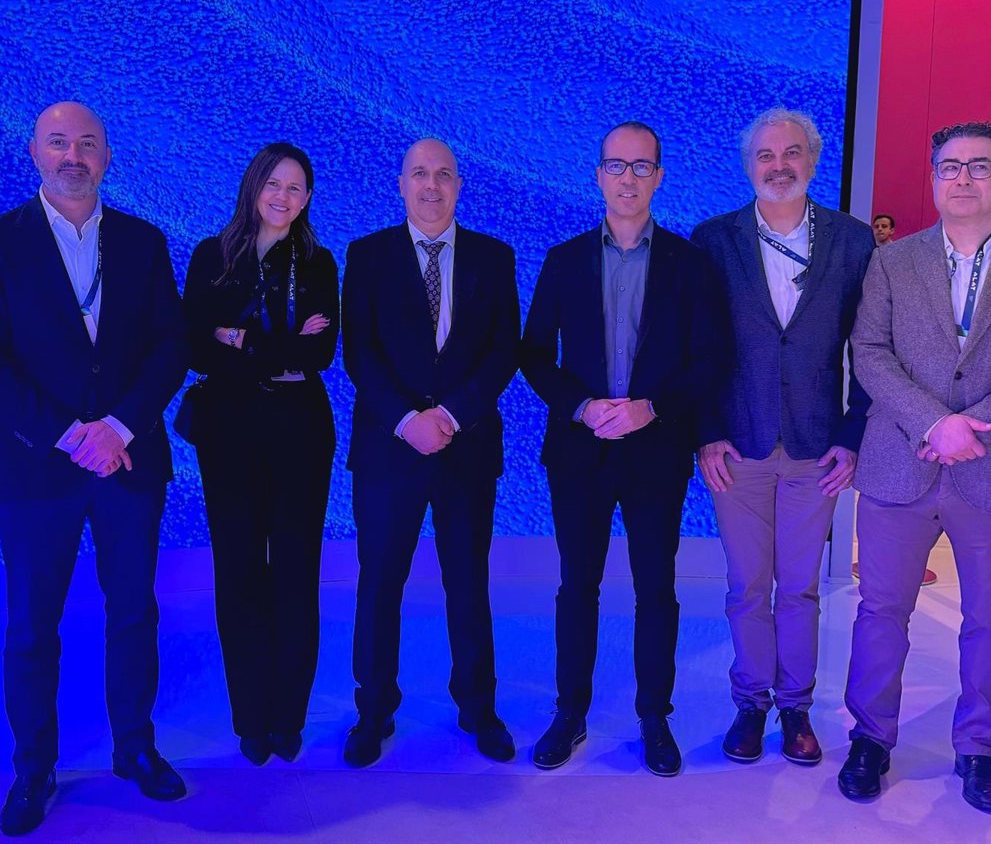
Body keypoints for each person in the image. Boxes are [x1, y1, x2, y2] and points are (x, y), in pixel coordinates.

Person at [0, 101, 189, 836]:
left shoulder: (144, 241)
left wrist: (116, 427)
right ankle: (33, 770)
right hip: (35, 469)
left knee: (134, 612)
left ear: (107, 157)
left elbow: (171, 346)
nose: (73, 156)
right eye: (58, 142)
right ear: (34, 152)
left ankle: (135, 748)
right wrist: (65, 434)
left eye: (87, 143)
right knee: (31, 626)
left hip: (128, 460)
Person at [841, 122, 991, 812]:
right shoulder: (892, 261)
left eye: (979, 166)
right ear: (934, 177)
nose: (962, 178)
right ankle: (870, 738)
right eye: (949, 166)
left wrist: (975, 428)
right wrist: (934, 423)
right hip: (900, 462)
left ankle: (977, 748)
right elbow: (870, 352)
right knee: (880, 611)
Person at [520, 121, 729, 776]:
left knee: (655, 588)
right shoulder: (563, 260)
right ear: (599, 175)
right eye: (617, 165)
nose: (628, 178)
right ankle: (570, 713)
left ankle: (654, 717)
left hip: (654, 450)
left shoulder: (690, 265)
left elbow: (711, 358)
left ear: (659, 177)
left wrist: (650, 408)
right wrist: (582, 407)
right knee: (576, 587)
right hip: (579, 452)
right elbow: (534, 354)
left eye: (642, 167)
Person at [691, 107, 875, 766]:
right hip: (735, 447)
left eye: (791, 152)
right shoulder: (713, 239)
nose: (779, 166)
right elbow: (694, 347)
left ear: (813, 160)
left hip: (816, 447)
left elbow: (871, 347)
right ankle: (750, 703)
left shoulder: (853, 241)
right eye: (765, 155)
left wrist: (853, 434)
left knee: (799, 588)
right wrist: (706, 431)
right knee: (747, 587)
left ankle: (796, 707)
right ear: (748, 166)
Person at [340, 138, 520, 767]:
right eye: (420, 174)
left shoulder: (495, 257)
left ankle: (478, 706)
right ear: (401, 184)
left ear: (459, 185)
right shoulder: (366, 256)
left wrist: (447, 416)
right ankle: (373, 710)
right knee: (379, 583)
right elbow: (359, 351)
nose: (432, 185)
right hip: (389, 451)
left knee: (468, 583)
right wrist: (406, 420)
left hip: (465, 449)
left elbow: (503, 351)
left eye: (444, 174)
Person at [182, 143, 338, 767]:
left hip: (302, 435)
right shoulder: (211, 257)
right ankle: (250, 717)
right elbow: (195, 347)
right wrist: (276, 348)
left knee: (296, 574)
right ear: (253, 186)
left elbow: (319, 356)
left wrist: (237, 337)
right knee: (239, 572)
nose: (283, 196)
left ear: (307, 198)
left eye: (296, 187)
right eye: (273, 183)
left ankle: (288, 718)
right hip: (229, 436)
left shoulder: (319, 264)